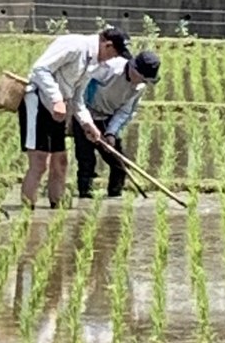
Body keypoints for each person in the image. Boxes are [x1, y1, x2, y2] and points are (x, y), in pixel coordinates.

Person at [19, 25, 129, 209]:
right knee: (39, 163)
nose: (113, 59)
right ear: (107, 45)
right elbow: (40, 69)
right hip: (38, 102)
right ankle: (27, 213)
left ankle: (57, 210)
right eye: (114, 54)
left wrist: (88, 124)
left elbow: (77, 97)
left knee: (60, 162)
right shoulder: (75, 45)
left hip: (60, 109)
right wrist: (56, 99)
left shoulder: (93, 62)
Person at [76, 47, 160, 200]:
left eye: (146, 81)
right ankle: (84, 199)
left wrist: (111, 132)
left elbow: (125, 111)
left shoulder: (139, 87)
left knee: (119, 164)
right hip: (85, 113)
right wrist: (86, 121)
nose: (143, 83)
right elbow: (81, 87)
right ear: (134, 69)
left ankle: (115, 197)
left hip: (107, 117)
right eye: (142, 78)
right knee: (86, 161)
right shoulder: (109, 68)